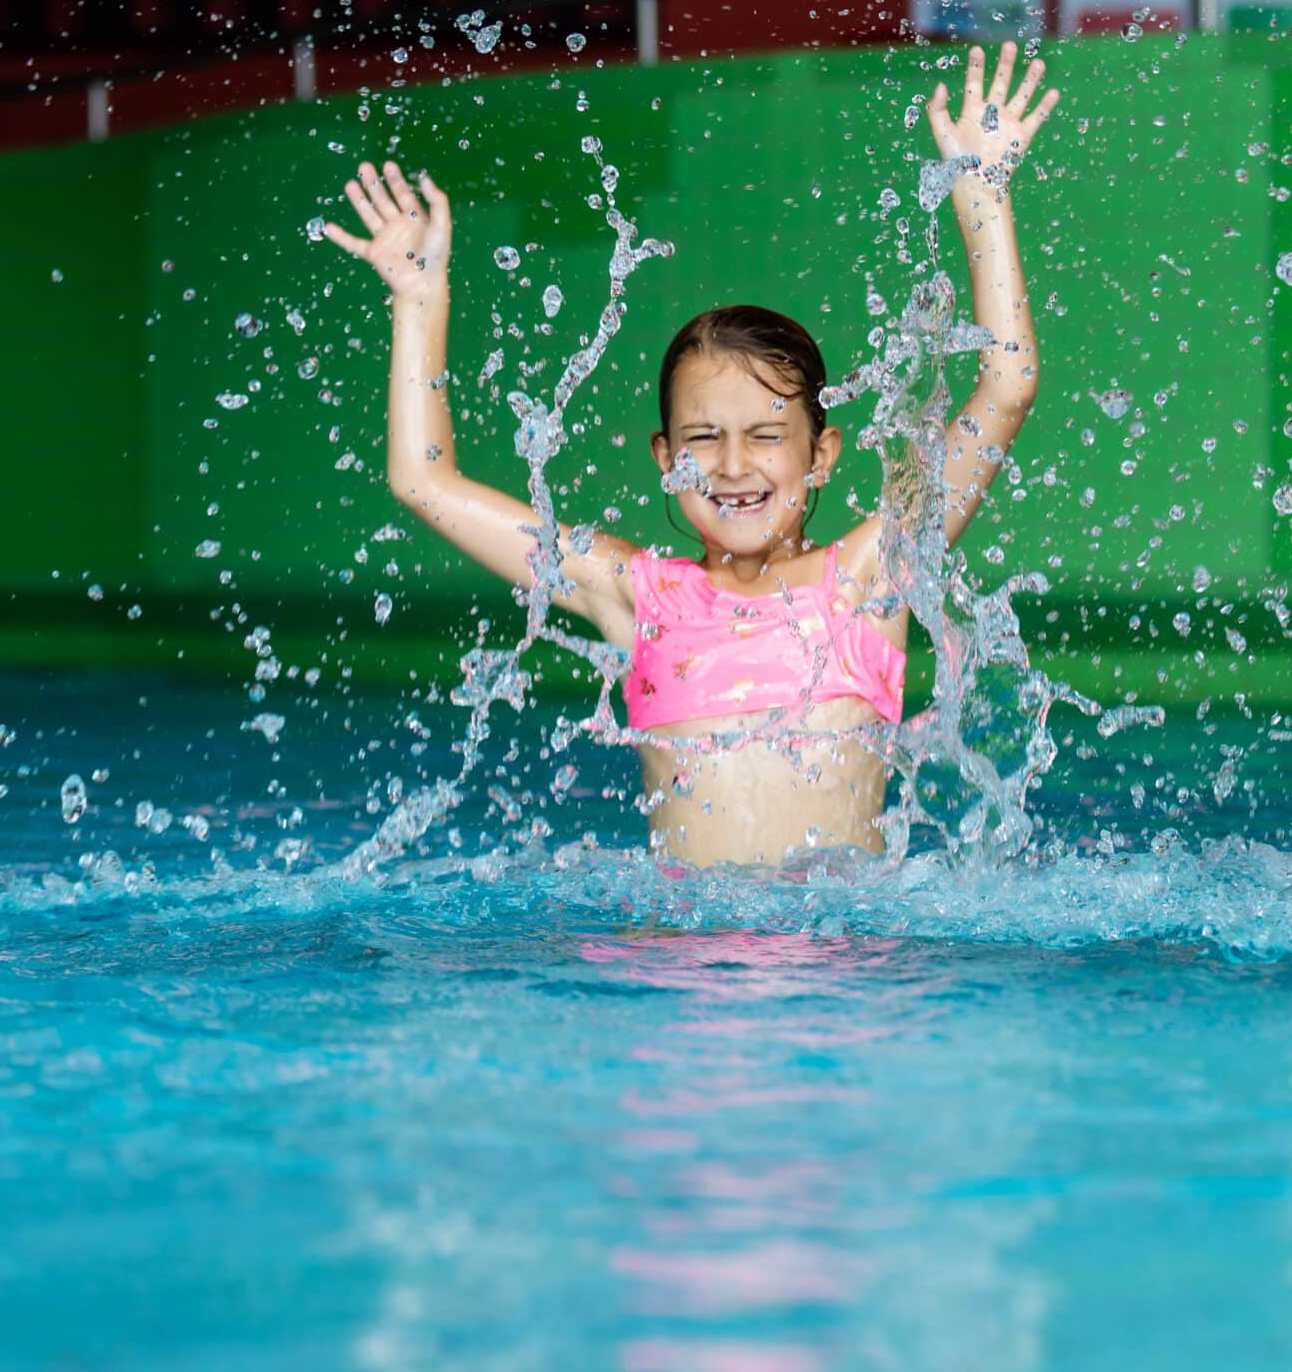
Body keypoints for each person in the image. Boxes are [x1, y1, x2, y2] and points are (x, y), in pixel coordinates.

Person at [322, 43, 1060, 867]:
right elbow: (424, 481)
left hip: (845, 980)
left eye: (768, 436)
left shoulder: (872, 574)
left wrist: (982, 200)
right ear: (665, 455)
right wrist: (420, 297)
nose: (735, 466)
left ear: (822, 455)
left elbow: (1007, 387)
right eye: (705, 440)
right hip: (675, 975)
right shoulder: (639, 598)